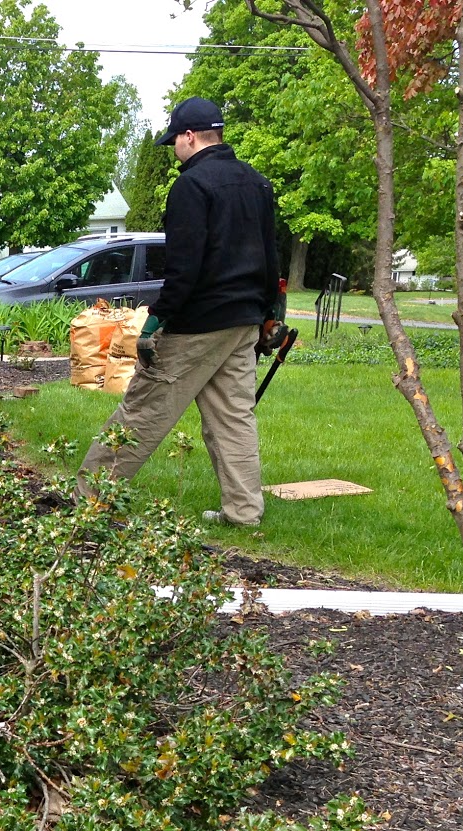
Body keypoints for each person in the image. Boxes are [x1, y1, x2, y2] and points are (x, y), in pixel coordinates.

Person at [76, 97, 280, 526]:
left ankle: (89, 501)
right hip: (242, 324)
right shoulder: (257, 183)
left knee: (143, 411)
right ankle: (243, 513)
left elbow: (183, 269)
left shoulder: (191, 186)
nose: (174, 150)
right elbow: (271, 260)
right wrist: (266, 315)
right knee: (233, 419)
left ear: (190, 136)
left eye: (175, 142)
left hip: (197, 325)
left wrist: (155, 321)